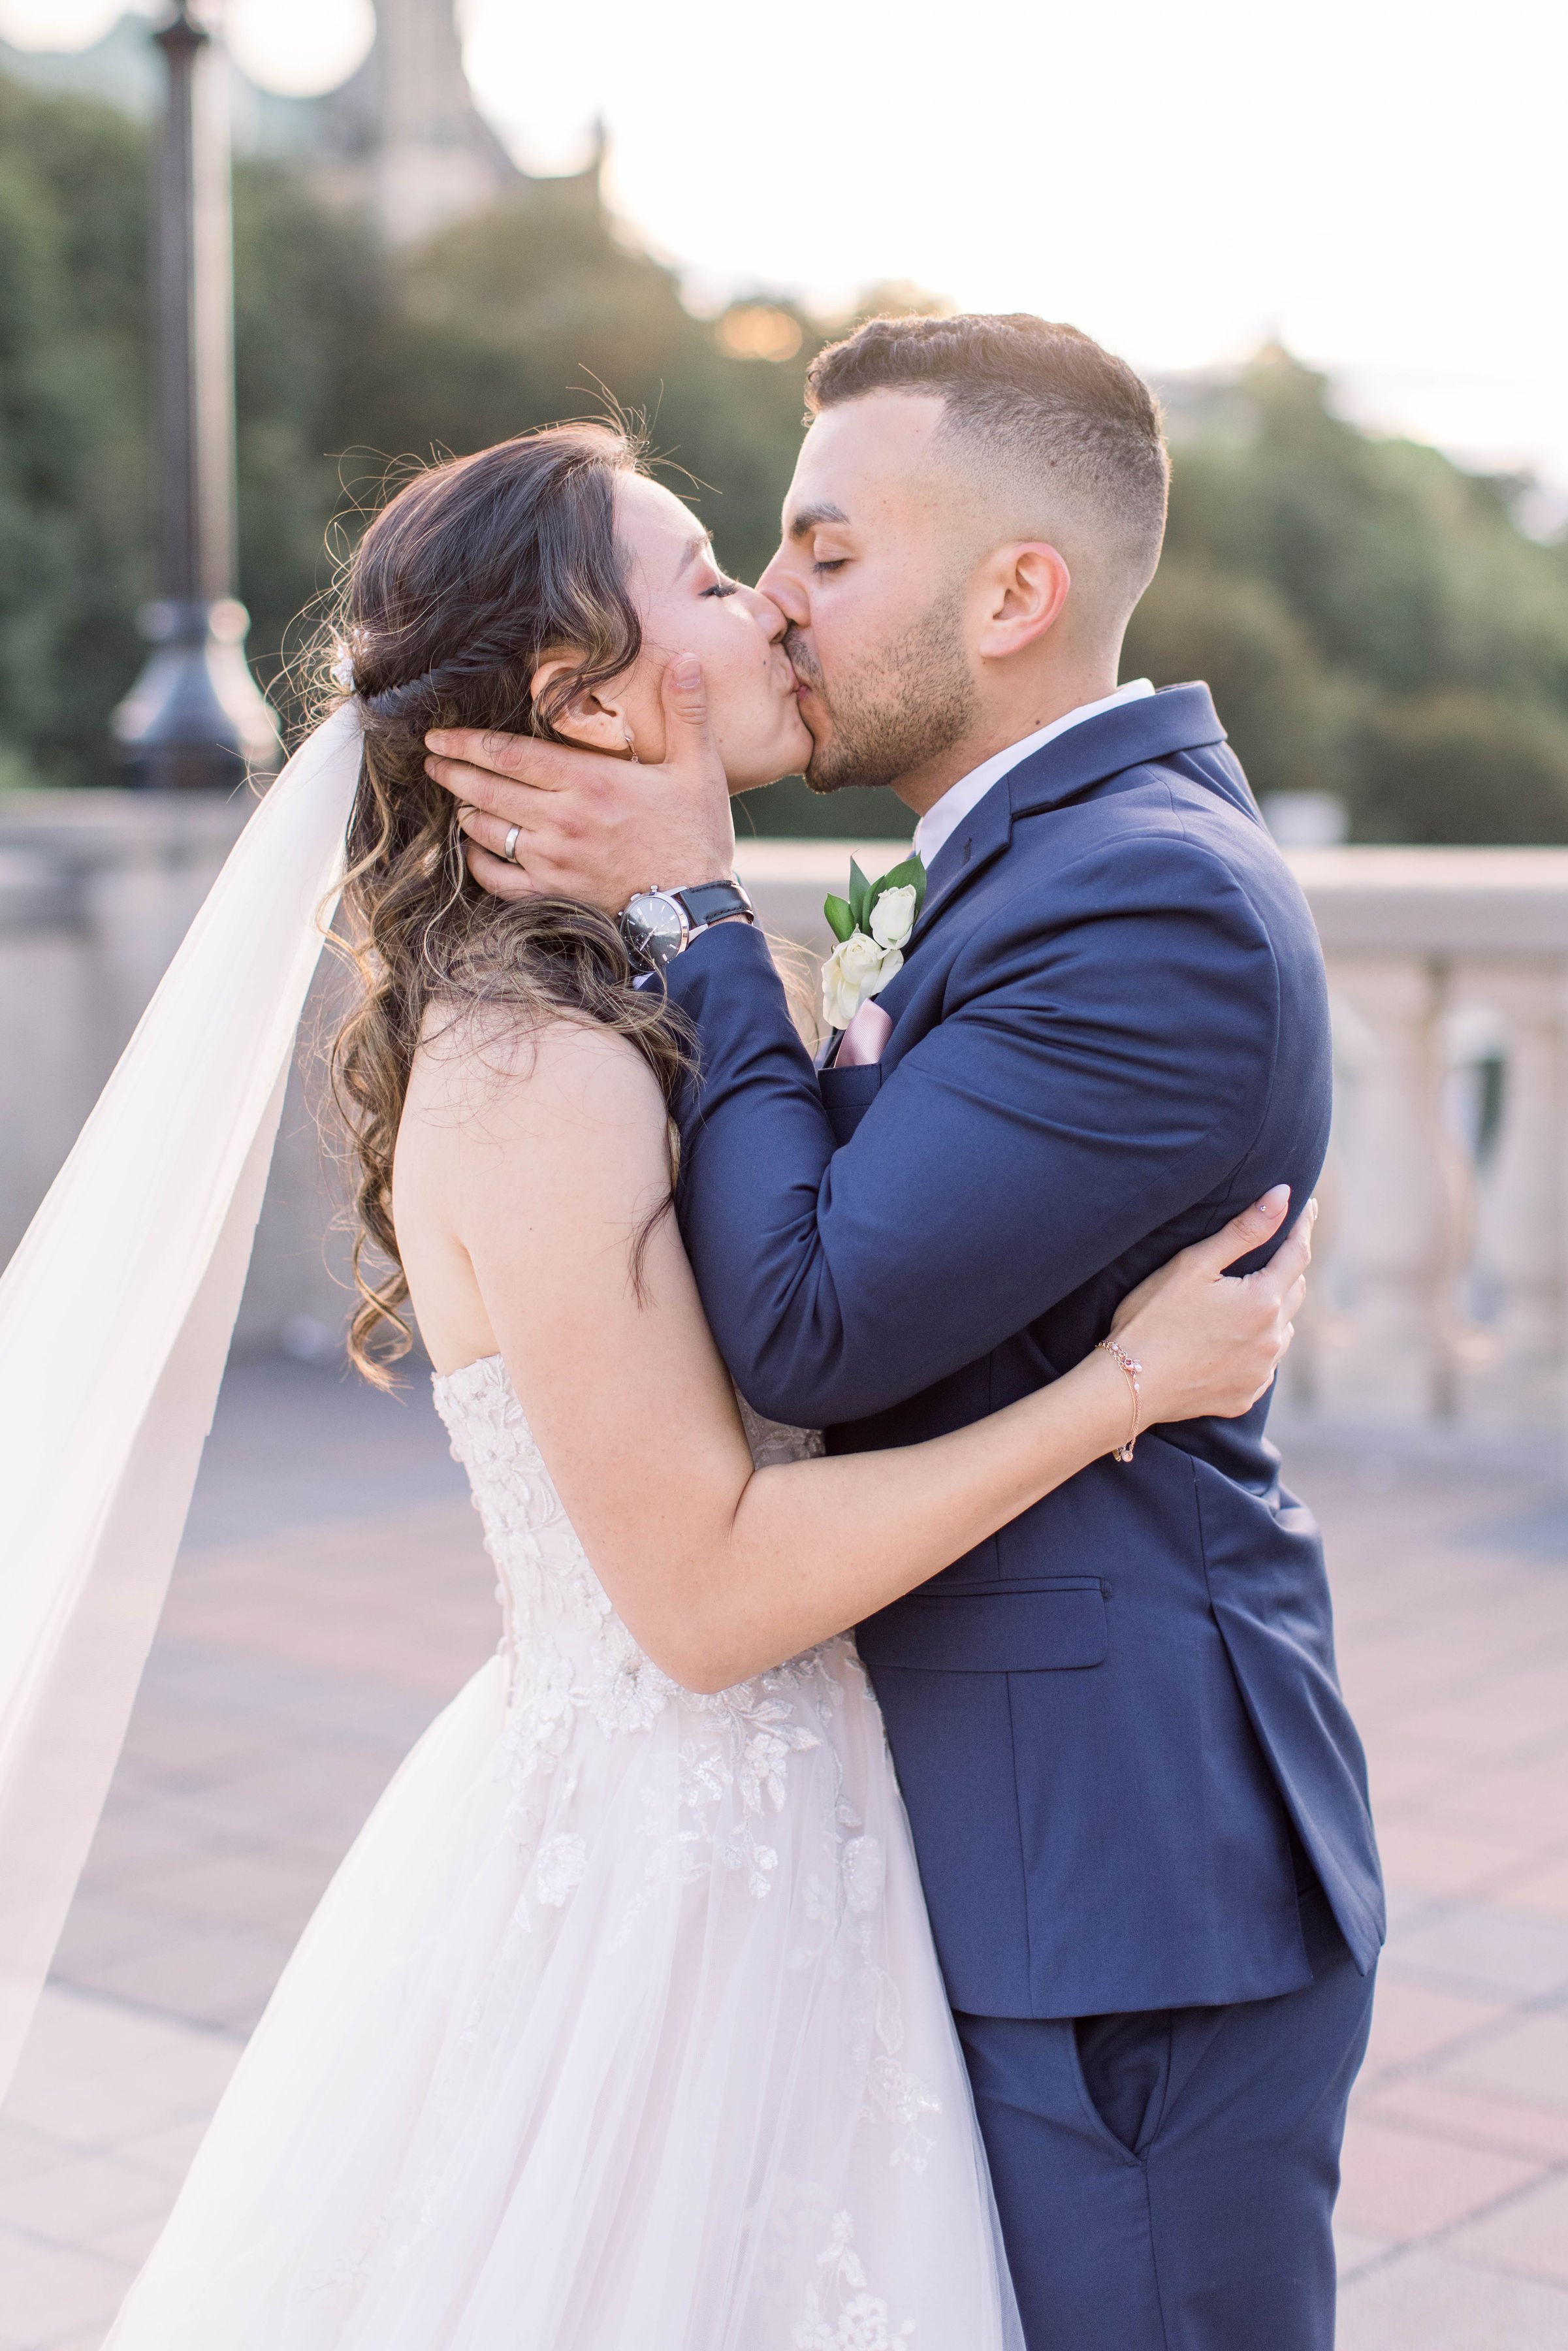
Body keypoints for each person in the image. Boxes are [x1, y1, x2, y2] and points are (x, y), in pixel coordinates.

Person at [91, 420, 1313, 2348]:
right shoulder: (540, 1075)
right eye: (708, 575)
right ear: (584, 690)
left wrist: (709, 917)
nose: (764, 605)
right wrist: (1119, 1389)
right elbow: (705, 1600)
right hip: (670, 1884)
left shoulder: (640, 1012)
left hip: (813, 1838)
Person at [428, 316, 1384, 2351]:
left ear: (1014, 594)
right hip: (926, 1840)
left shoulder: (1144, 902)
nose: (776, 601)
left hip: (1115, 1885)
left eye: (824, 553)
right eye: (750, 562)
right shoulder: (997, 874)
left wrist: (697, 908)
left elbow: (811, 1322)